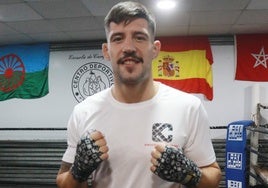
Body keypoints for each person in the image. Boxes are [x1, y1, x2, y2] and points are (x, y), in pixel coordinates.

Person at [56, 1, 222, 188]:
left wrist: (189, 174)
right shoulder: (83, 112)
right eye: (118, 38)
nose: (128, 47)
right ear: (106, 51)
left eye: (139, 37)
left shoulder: (188, 107)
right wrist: (79, 171)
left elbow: (214, 176)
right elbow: (63, 181)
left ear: (155, 49)